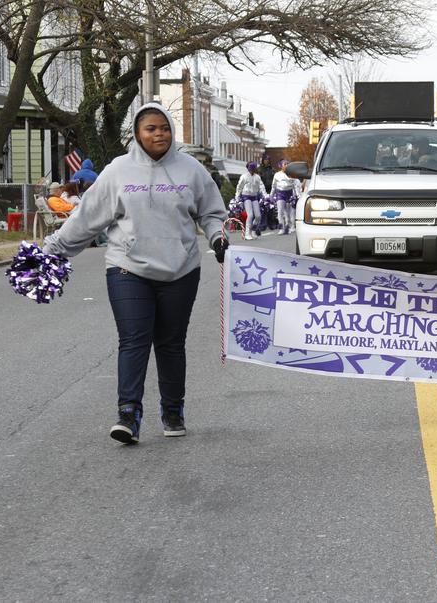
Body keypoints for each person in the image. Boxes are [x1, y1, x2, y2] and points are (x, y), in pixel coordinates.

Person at [43, 102, 227, 444]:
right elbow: (86, 219)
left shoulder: (191, 170)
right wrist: (51, 248)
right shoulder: (118, 172)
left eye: (164, 128)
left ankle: (173, 409)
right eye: (150, 128)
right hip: (128, 267)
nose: (159, 133)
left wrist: (217, 235)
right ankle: (128, 414)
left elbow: (213, 213)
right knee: (134, 340)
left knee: (171, 344)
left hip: (181, 268)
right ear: (137, 135)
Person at [235, 162, 268, 238]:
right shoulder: (244, 176)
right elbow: (239, 187)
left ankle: (253, 230)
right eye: (251, 168)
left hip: (254, 197)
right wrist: (237, 196)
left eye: (253, 168)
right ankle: (247, 234)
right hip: (246, 196)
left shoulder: (257, 177)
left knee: (258, 216)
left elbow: (261, 186)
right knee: (250, 215)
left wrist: (265, 196)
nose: (252, 170)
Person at [271, 160, 298, 235]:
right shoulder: (277, 175)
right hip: (280, 193)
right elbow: (273, 186)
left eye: (287, 164)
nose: (286, 165)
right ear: (281, 166)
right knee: (280, 211)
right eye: (285, 164)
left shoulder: (292, 174)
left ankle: (288, 226)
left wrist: (297, 195)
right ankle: (281, 228)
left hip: (289, 193)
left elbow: (295, 185)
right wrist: (271, 195)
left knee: (288, 212)